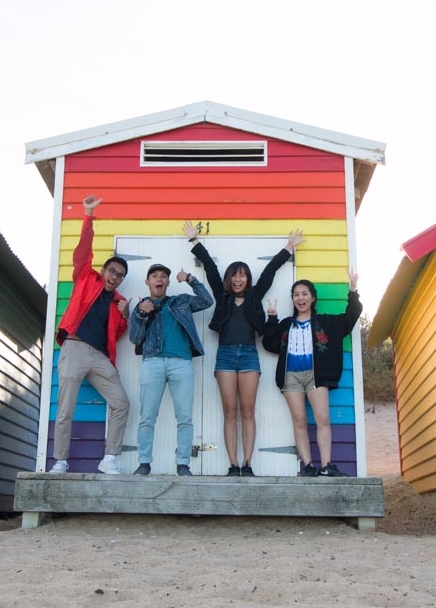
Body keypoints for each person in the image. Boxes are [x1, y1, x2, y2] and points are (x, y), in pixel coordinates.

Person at [183, 221, 304, 476]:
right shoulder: (222, 296)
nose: (238, 279)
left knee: (247, 411)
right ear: (229, 279)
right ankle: (233, 464)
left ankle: (247, 463)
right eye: (234, 275)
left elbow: (270, 271)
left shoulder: (254, 296)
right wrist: (195, 241)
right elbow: (211, 268)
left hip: (249, 356)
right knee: (230, 412)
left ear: (247, 279)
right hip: (225, 356)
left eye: (243, 275)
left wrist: (288, 248)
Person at [49, 195, 131, 475]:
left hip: (99, 357)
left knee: (121, 403)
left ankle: (109, 458)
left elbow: (118, 334)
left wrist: (125, 314)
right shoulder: (86, 277)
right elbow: (82, 252)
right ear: (104, 270)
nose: (114, 277)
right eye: (112, 271)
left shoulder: (118, 301)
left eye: (120, 275)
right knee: (65, 409)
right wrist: (88, 216)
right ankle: (60, 461)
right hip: (74, 348)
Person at [262, 269, 362, 477]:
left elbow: (350, 317)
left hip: (316, 376)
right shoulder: (286, 325)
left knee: (322, 419)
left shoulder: (326, 322)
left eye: (305, 294)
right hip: (291, 377)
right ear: (293, 299)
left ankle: (327, 466)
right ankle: (308, 465)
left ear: (313, 298)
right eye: (296, 294)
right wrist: (272, 318)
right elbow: (269, 343)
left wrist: (353, 290)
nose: (301, 298)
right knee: (299, 421)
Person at [128, 263, 213, 476]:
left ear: (167, 282)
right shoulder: (141, 307)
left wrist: (190, 279)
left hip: (181, 362)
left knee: (184, 417)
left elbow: (206, 300)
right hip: (152, 363)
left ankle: (183, 464)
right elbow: (135, 339)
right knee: (147, 416)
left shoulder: (180, 301)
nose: (159, 279)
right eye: (154, 276)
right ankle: (144, 463)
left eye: (163, 276)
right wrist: (140, 314)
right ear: (147, 282)